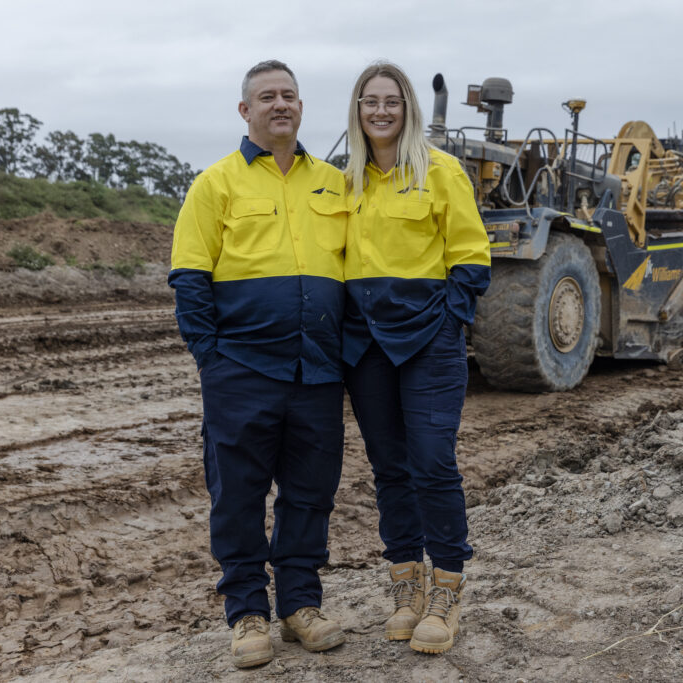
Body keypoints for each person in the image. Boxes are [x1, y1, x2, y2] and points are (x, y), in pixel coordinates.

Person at [168, 59, 348, 668]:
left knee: (310, 492)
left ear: (301, 108)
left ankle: (300, 605)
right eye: (266, 97)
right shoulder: (214, 185)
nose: (280, 105)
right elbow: (190, 281)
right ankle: (246, 612)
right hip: (240, 370)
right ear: (245, 111)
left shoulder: (335, 183)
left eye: (289, 96)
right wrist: (211, 361)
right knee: (237, 495)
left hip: (318, 370)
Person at [342, 61, 491, 654]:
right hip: (365, 343)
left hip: (429, 337)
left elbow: (472, 257)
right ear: (356, 110)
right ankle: (406, 586)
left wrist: (449, 320)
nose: (381, 111)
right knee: (389, 469)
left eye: (392, 101)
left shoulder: (441, 170)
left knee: (431, 462)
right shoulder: (342, 180)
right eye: (369, 101)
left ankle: (448, 589)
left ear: (408, 109)